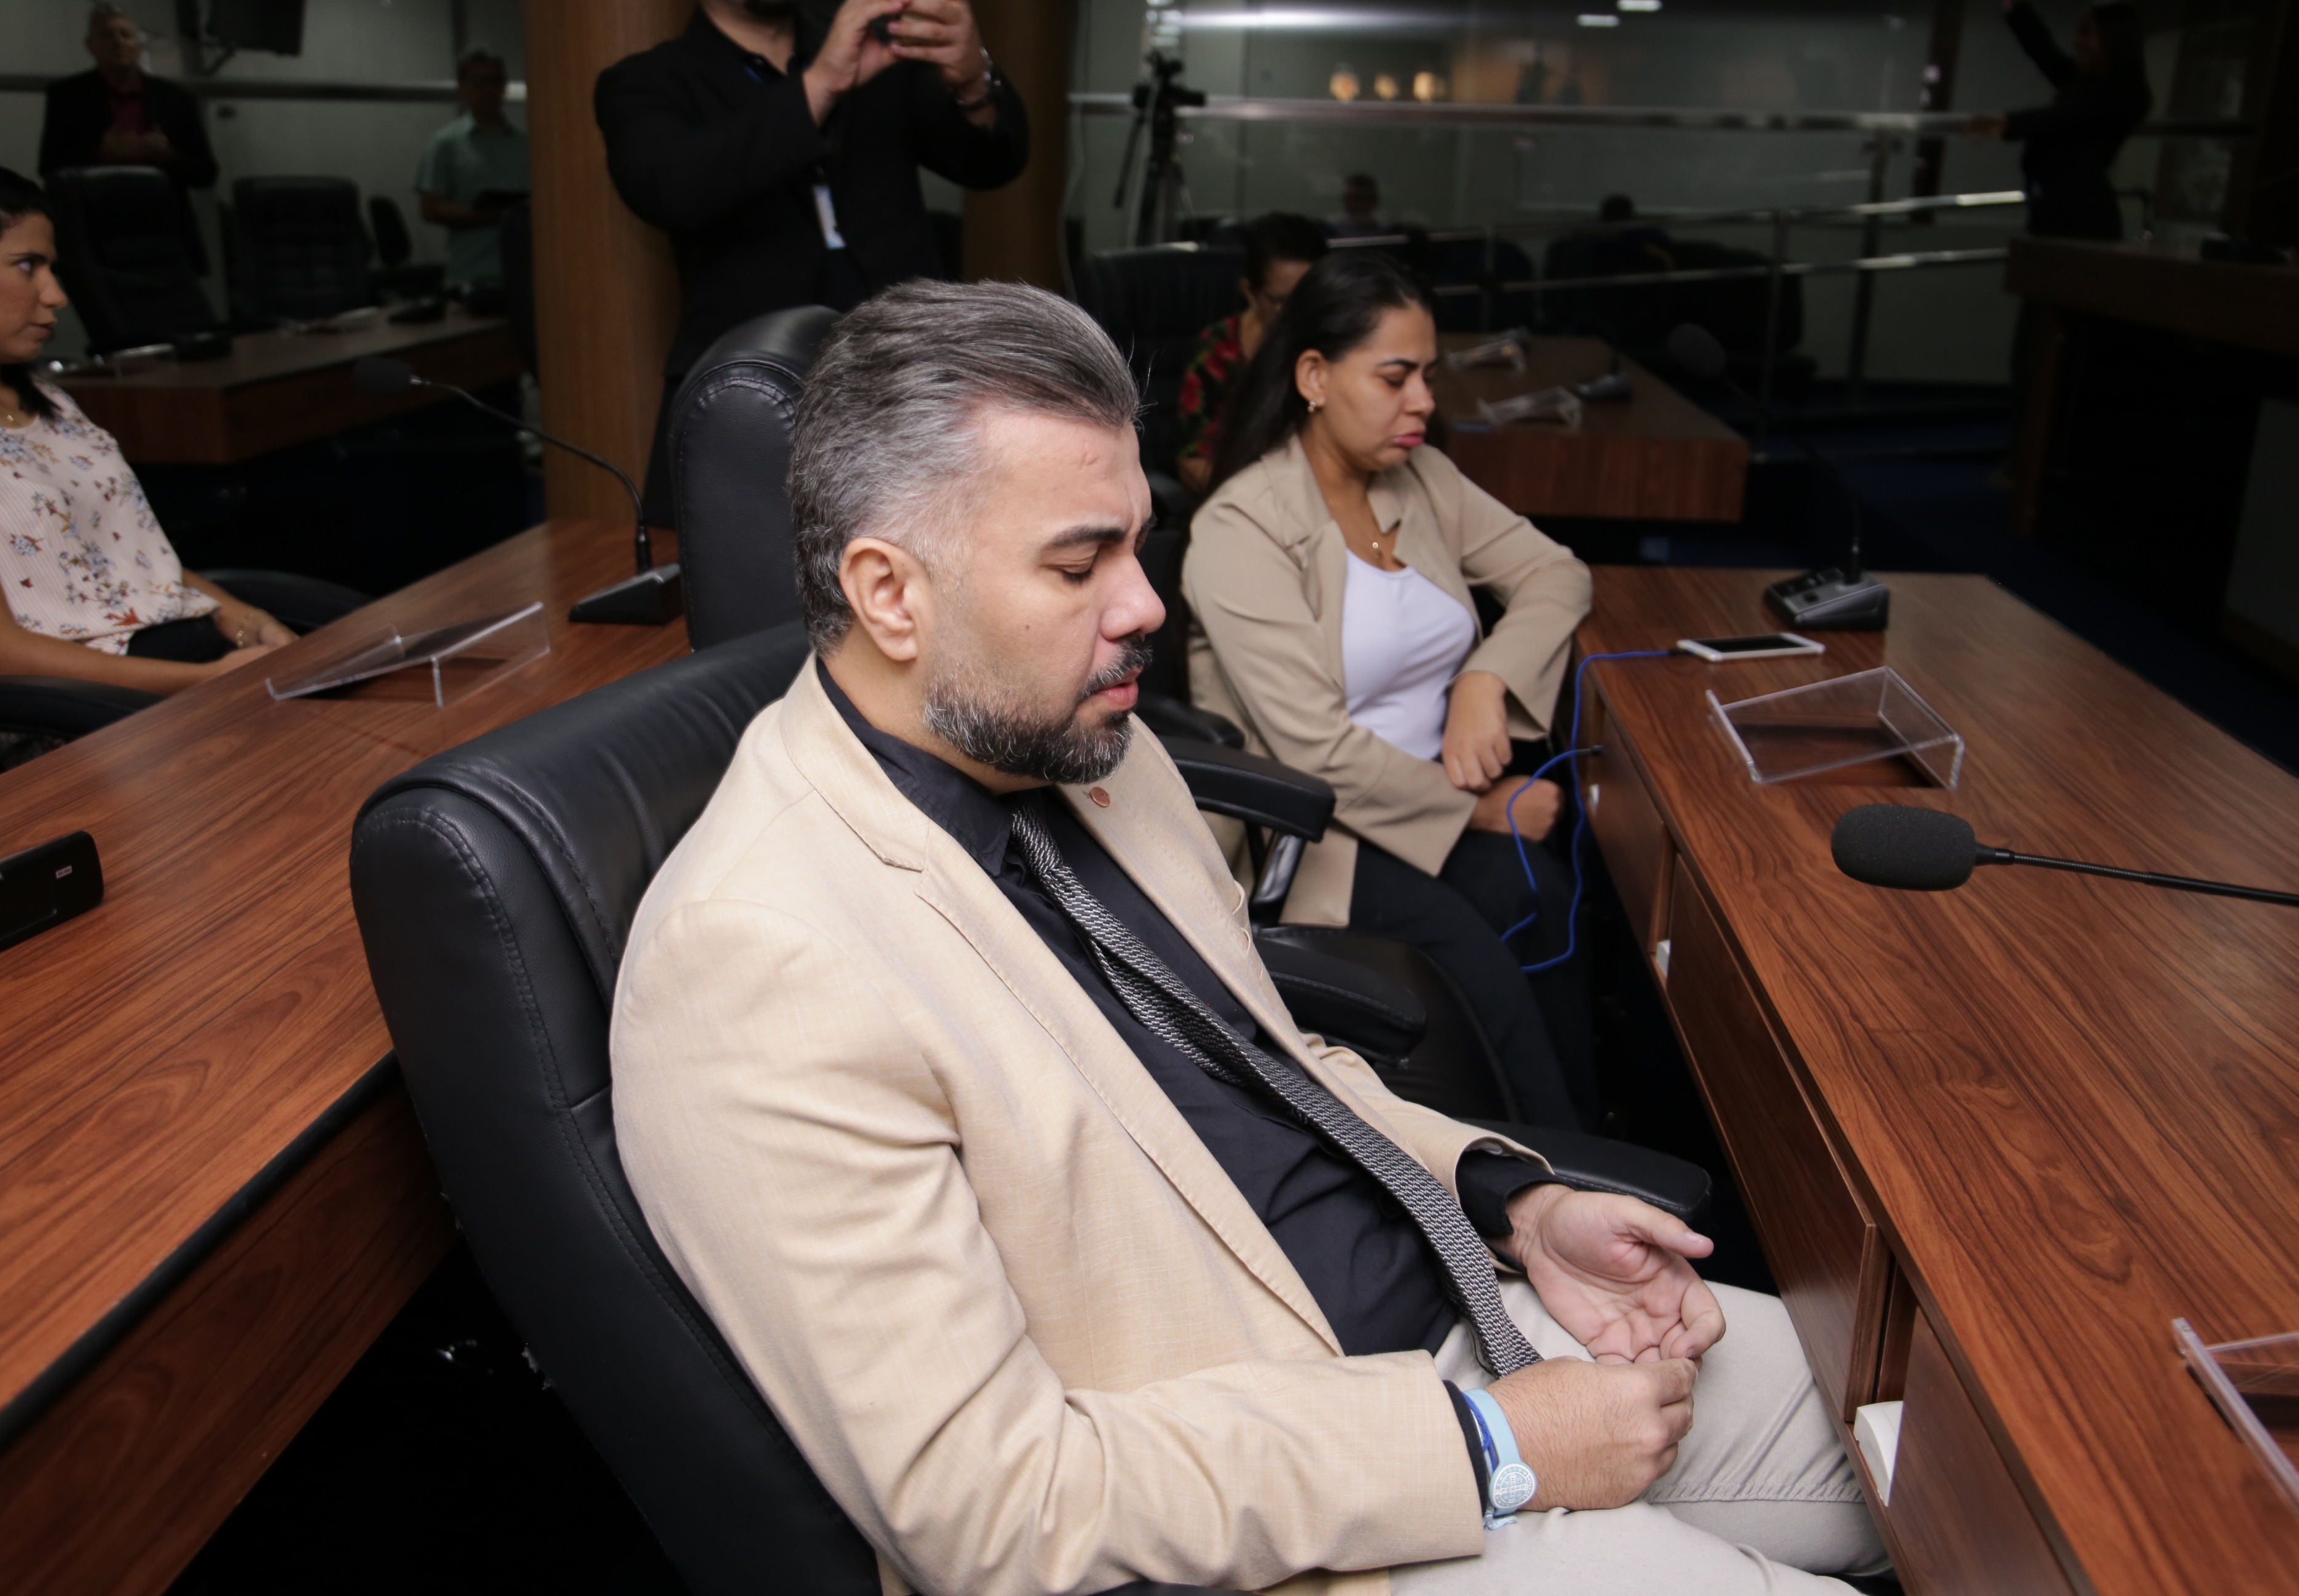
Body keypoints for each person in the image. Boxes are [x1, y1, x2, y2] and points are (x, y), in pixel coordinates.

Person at [612, 279, 1883, 1596]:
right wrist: (1490, 1446)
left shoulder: (1085, 749)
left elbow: (1276, 1066)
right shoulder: (758, 959)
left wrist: (1512, 1202)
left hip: (1462, 1313)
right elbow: (990, 1511)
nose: (1144, 606)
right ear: (888, 593)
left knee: (1937, 1448)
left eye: (1136, 547)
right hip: (1295, 1508)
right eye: (1078, 565)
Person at [1183, 252, 1595, 1131]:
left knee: (1546, 900)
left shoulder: (1424, 481)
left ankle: (1594, 1146)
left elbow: (1557, 574)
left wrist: (1485, 678)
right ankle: (1550, 1179)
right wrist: (1476, 810)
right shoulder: (1241, 527)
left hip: (1431, 796)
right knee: (1478, 967)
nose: (1423, 403)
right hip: (1327, 835)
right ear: (1314, 377)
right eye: (1395, 377)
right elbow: (1314, 750)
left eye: (1427, 377)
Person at [597, 0, 1030, 524]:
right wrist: (820, 84)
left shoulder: (872, 42)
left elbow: (990, 163)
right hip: (750, 387)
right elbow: (672, 189)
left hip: (904, 368)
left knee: (938, 544)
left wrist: (972, 81)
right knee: (740, 561)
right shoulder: (648, 80)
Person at [0, 155, 288, 693]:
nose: (56, 295)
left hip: (182, 661)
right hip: (83, 707)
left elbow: (131, 562)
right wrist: (203, 681)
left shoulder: (50, 401)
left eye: (51, 268)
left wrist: (246, 619)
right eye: (27, 266)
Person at [1970, 0, 2152, 241]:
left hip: (2082, 219)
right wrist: (2013, 8)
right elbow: (2043, 52)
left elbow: (2070, 116)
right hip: (2058, 208)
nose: (2077, 42)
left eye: (2087, 33)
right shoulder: (2090, 82)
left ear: (2115, 38)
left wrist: (2008, 123)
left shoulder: (2127, 92)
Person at [1175, 211, 1325, 497]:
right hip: (1242, 500)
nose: (1298, 311)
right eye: (1281, 301)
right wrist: (1255, 503)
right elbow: (1192, 462)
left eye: (1309, 297)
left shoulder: (1336, 346)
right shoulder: (1219, 351)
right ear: (1250, 292)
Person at [37, 6, 219, 192]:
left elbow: (207, 174)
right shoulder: (67, 96)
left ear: (139, 47)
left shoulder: (175, 97)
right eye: (107, 35)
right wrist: (100, 153)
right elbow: (48, 167)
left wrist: (169, 156)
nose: (118, 42)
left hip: (159, 203)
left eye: (126, 35)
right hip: (97, 203)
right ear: (91, 46)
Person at [414, 49, 531, 291]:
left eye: (495, 81)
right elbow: (431, 209)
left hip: (524, 276)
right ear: (463, 86)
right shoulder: (446, 144)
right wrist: (492, 215)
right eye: (479, 82)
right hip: (470, 276)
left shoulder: (526, 145)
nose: (488, 90)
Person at [1328, 171, 1386, 238]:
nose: (1352, 204)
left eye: (1359, 198)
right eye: (1348, 198)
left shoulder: (1386, 232)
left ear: (1372, 201)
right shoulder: (1332, 231)